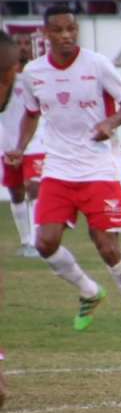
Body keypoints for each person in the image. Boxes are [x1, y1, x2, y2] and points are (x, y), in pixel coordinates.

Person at [11, 4, 121, 343]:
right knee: (44, 243)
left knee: (107, 247)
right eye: (58, 30)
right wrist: (20, 146)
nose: (66, 35)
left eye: (71, 28)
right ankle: (89, 291)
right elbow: (31, 113)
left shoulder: (97, 65)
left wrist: (111, 122)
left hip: (98, 169)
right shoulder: (33, 73)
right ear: (46, 34)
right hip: (58, 169)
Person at [1, 32, 46, 257]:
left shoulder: (37, 75)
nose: (23, 47)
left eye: (27, 43)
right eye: (18, 43)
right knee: (16, 192)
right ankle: (26, 241)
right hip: (8, 143)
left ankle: (38, 242)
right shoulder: (4, 78)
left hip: (35, 142)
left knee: (34, 187)